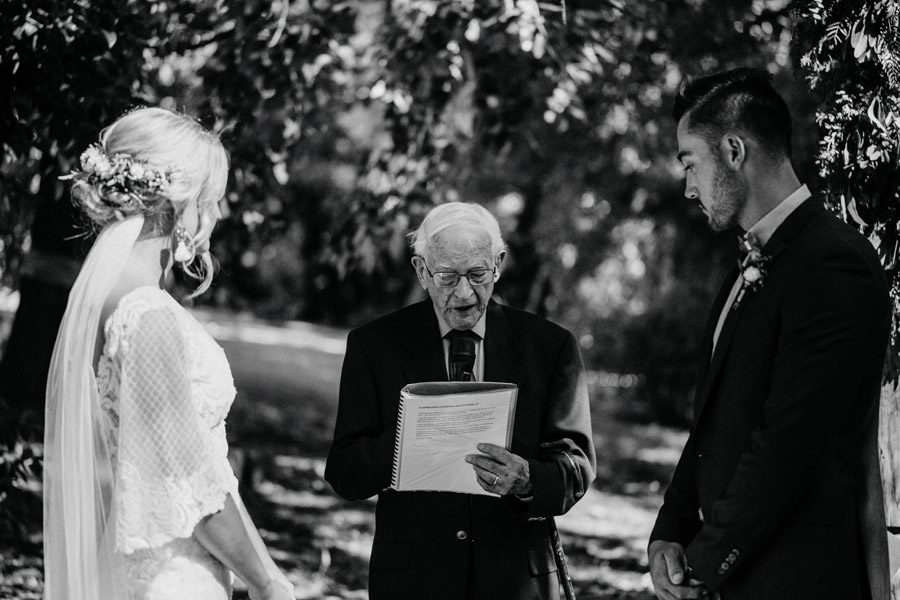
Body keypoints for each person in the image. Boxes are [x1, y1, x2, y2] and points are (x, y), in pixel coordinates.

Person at [648, 68, 892, 600]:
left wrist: (706, 561)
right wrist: (671, 527)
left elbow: (788, 445)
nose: (688, 188)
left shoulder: (833, 265)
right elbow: (713, 422)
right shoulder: (747, 267)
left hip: (798, 580)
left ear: (734, 150)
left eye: (691, 163)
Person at [43, 107, 294, 600]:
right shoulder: (146, 313)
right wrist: (269, 582)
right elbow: (191, 480)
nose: (219, 216)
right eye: (212, 200)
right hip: (173, 577)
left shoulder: (108, 296)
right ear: (178, 202)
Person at [324, 202, 596, 599]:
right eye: (448, 277)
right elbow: (345, 471)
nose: (465, 293)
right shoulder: (374, 346)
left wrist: (527, 480)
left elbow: (577, 466)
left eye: (478, 274)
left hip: (517, 581)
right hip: (415, 580)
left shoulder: (551, 347)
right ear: (421, 271)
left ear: (499, 265)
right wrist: (407, 442)